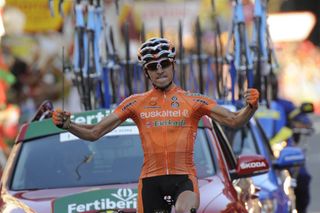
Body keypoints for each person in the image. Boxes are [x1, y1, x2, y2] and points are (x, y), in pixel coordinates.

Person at [52, 37, 260, 213]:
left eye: (164, 63)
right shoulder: (135, 103)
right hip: (150, 182)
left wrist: (250, 107)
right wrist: (69, 125)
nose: (160, 70)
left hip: (183, 179)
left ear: (173, 65)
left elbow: (234, 120)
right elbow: (95, 132)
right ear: (146, 72)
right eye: (152, 66)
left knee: (182, 210)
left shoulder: (194, 101)